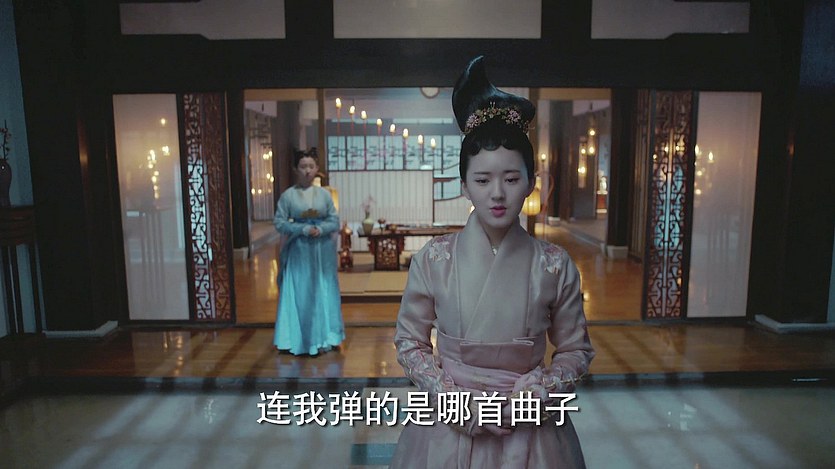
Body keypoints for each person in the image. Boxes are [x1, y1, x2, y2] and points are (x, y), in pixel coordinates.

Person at [390, 57, 595, 468]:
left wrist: (540, 392)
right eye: (482, 180)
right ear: (464, 186)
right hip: (450, 420)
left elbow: (575, 350)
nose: (497, 193)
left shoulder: (555, 265)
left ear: (531, 183)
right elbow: (410, 342)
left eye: (511, 179)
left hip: (530, 422)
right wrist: (451, 399)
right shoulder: (433, 260)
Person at [273, 148, 344, 355]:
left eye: (311, 166)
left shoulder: (324, 195)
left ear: (317, 169)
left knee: (323, 290)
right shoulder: (288, 196)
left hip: (322, 251)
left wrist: (321, 229)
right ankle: (298, 339)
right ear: (296, 169)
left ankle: (327, 337)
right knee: (301, 292)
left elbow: (334, 221)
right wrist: (301, 229)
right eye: (303, 166)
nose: (307, 171)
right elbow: (279, 222)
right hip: (299, 251)